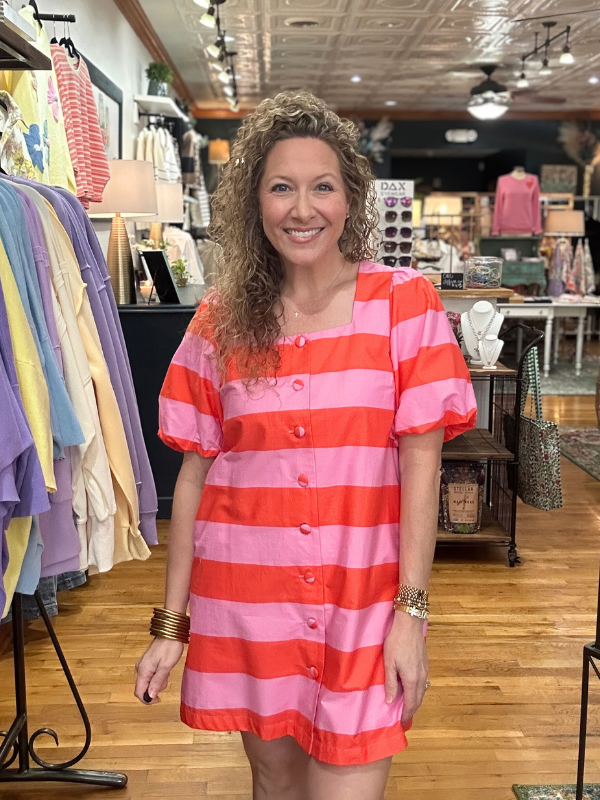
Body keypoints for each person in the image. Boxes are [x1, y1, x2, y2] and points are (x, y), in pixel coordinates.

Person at [134, 91, 477, 800]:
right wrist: (172, 624)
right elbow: (194, 477)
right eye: (281, 187)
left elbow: (422, 462)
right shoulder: (219, 322)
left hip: (364, 607)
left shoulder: (403, 305)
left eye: (322, 187)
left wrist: (412, 616)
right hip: (247, 606)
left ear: (350, 199)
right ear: (255, 203)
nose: (302, 208)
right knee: (275, 786)